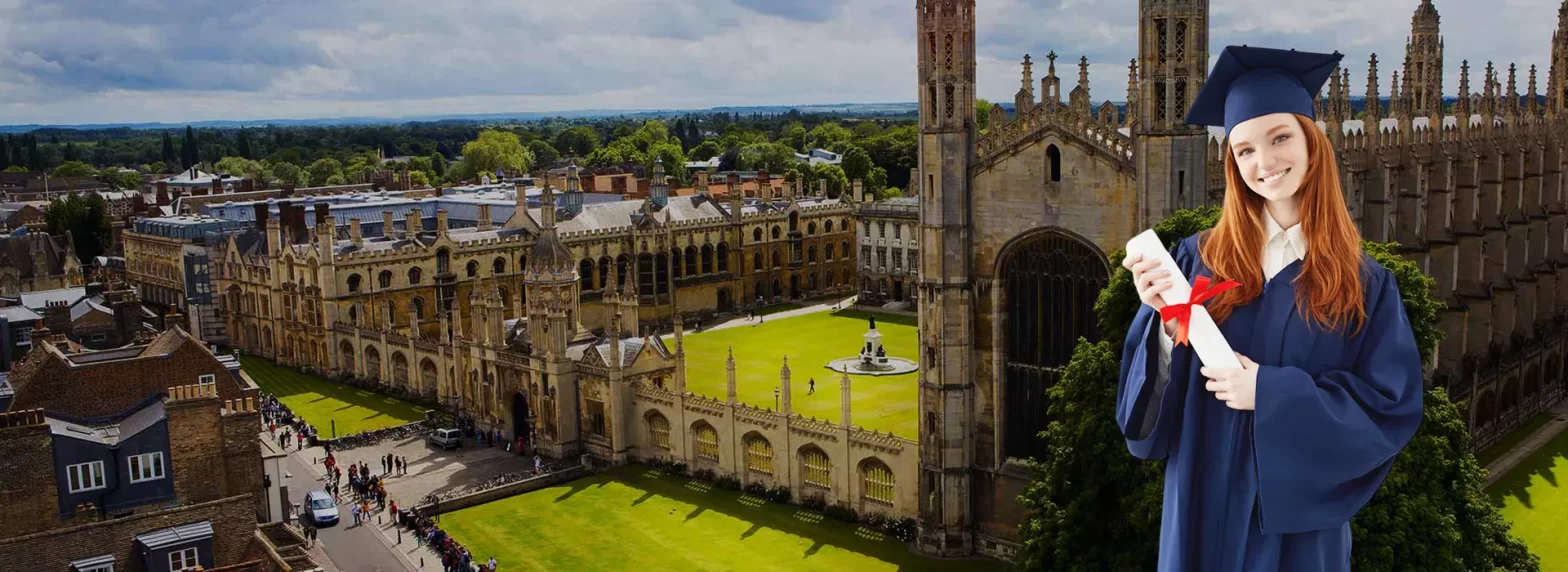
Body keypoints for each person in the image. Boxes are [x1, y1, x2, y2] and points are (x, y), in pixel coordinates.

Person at [1116, 46, 1424, 572]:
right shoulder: (1197, 260)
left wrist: (1271, 393)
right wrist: (1166, 327)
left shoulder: (1365, 284)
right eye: (1244, 150)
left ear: (1311, 141)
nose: (1264, 163)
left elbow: (1389, 410)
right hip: (1199, 510)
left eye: (1280, 138)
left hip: (1297, 535)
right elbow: (1142, 422)